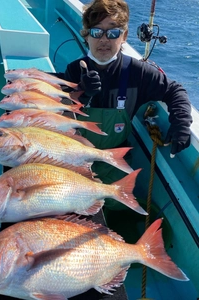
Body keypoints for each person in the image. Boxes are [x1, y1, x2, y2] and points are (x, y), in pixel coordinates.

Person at [60, 0, 193, 212]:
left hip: (115, 161)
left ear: (124, 36)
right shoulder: (74, 70)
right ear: (86, 35)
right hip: (75, 159)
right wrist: (80, 94)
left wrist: (181, 123)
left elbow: (174, 90)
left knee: (115, 208)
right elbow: (60, 114)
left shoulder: (138, 73)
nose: (104, 40)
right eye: (96, 32)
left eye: (113, 33)